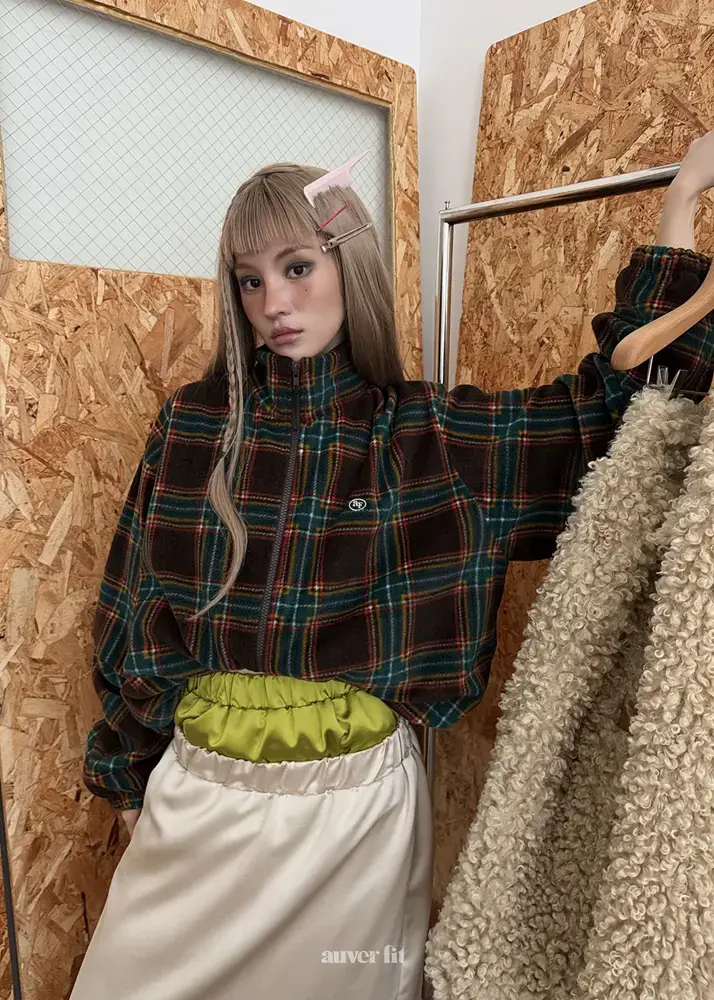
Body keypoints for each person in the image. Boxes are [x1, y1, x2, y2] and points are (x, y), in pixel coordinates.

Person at [69, 133, 714, 1000]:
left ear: (350, 265)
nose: (274, 302)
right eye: (249, 279)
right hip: (197, 800)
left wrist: (681, 207)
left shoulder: (431, 437)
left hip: (355, 820)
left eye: (298, 267)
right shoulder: (192, 424)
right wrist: (124, 772)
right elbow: (132, 603)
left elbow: (616, 421)